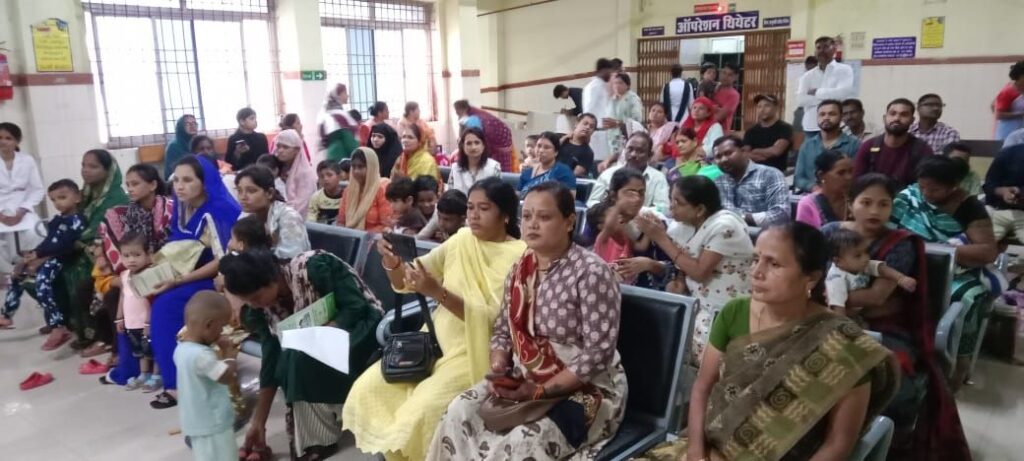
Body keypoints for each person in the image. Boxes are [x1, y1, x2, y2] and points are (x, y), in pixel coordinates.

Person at [639, 222, 899, 461]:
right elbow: (703, 387)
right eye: (755, 259)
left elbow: (838, 444)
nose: (756, 272)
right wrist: (697, 453)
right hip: (713, 447)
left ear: (811, 278)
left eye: (773, 264)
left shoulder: (842, 343)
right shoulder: (734, 312)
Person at [425, 181, 626, 460]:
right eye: (528, 216)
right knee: (459, 411)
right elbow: (503, 329)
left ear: (569, 222)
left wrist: (541, 390)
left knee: (523, 442)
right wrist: (499, 369)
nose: (532, 224)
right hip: (525, 375)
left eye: (544, 217)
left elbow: (598, 354)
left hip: (584, 387)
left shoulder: (591, 272)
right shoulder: (521, 268)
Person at [344, 177, 527, 461]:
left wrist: (437, 292)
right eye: (470, 208)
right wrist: (393, 262)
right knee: (367, 389)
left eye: (484, 209)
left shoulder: (522, 257)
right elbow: (408, 279)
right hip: (434, 344)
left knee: (421, 412)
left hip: (476, 352)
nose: (473, 215)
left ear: (505, 215)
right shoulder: (462, 240)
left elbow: (498, 322)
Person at [821, 174, 971, 458]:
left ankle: (893, 438)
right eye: (866, 202)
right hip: (827, 318)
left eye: (884, 204)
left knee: (889, 375)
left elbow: (877, 297)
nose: (875, 211)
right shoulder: (829, 232)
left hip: (887, 326)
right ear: (850, 204)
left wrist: (831, 296)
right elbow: (809, 273)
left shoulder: (900, 242)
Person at [220, 247, 383, 460]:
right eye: (248, 301)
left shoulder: (313, 268)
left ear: (272, 278)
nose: (254, 305)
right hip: (312, 346)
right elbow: (271, 358)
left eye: (256, 297)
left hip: (360, 329)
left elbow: (356, 307)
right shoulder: (263, 308)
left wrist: (328, 329)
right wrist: (258, 421)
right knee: (290, 357)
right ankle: (312, 435)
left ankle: (319, 438)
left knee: (297, 356)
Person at [891, 155, 998, 389]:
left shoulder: (969, 207)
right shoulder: (909, 197)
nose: (926, 193)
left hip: (953, 269)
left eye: (935, 189)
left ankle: (959, 362)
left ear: (953, 186)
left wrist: (939, 250)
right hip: (907, 264)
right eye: (922, 186)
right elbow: (888, 229)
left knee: (968, 297)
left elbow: (988, 251)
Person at [148, 155, 241, 410]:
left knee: (167, 305)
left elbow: (224, 259)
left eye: (188, 180)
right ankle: (174, 374)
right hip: (190, 274)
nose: (179, 186)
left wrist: (179, 280)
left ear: (205, 181)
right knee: (152, 294)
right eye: (176, 180)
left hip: (219, 279)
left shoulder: (220, 210)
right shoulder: (183, 207)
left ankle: (177, 384)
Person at [636, 175, 754, 363]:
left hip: (724, 309)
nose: (671, 207)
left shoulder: (725, 226)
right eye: (671, 199)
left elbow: (700, 272)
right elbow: (683, 264)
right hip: (698, 304)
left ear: (700, 209)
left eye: (678, 202)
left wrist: (660, 237)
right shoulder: (684, 226)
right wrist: (679, 281)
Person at [98, 163, 174, 383]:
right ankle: (130, 363)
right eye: (128, 184)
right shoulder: (129, 213)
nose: (130, 189)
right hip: (136, 267)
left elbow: (172, 246)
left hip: (165, 267)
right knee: (115, 295)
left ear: (152, 185)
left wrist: (150, 266)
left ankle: (156, 367)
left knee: (149, 296)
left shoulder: (168, 208)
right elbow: (123, 245)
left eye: (135, 184)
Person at [1, 179, 85, 344]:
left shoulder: (76, 220)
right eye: (53, 200)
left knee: (42, 284)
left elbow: (65, 245)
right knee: (17, 274)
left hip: (62, 258)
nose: (57, 203)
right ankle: (7, 315)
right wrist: (32, 254)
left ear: (77, 197)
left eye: (62, 197)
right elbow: (48, 242)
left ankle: (58, 326)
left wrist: (38, 255)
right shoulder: (57, 220)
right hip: (49, 256)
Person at [70, 149, 131, 350]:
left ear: (108, 171)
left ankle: (100, 336)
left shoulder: (116, 198)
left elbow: (96, 232)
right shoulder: (86, 196)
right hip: (90, 248)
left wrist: (75, 240)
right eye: (83, 165)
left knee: (81, 275)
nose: (85, 170)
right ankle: (75, 328)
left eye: (93, 166)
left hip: (111, 254)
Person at [173, 291, 237, 461]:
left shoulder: (181, 349)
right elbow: (226, 376)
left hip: (195, 420)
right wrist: (230, 354)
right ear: (209, 325)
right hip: (213, 422)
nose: (222, 332)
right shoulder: (202, 356)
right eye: (221, 327)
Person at [825, 227, 918, 318]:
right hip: (845, 316)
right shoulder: (836, 280)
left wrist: (901, 278)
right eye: (858, 256)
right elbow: (838, 309)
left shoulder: (860, 265)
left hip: (858, 313)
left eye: (866, 252)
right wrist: (843, 325)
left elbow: (881, 269)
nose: (865, 258)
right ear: (838, 262)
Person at [853, 98, 934, 190]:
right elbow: (857, 183)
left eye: (904, 115)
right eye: (892, 113)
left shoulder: (923, 150)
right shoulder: (868, 146)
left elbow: (926, 187)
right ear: (884, 118)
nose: (897, 118)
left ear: (912, 120)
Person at [115, 231, 160, 391]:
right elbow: (123, 296)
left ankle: (157, 375)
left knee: (152, 350)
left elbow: (153, 301)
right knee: (139, 351)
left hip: (147, 322)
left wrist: (149, 322)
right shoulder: (124, 275)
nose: (131, 260)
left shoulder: (150, 274)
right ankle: (144, 374)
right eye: (126, 255)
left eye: (137, 255)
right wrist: (119, 318)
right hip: (131, 323)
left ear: (148, 254)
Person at [236, 165, 311, 260]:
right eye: (239, 191)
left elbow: (289, 260)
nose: (243, 197)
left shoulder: (289, 218)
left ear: (270, 193)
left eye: (251, 191)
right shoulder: (244, 216)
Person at [712, 135, 790, 226]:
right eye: (718, 157)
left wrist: (741, 217)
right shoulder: (718, 182)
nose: (723, 160)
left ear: (743, 152)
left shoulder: (770, 175)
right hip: (727, 232)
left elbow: (781, 215)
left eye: (728, 153)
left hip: (762, 233)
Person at [0, 122, 44, 280]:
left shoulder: (27, 160)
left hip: (23, 206)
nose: (3, 141)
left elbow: (37, 189)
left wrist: (21, 211)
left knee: (35, 232)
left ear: (17, 141)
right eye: (0, 137)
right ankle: (7, 274)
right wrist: (2, 216)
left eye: (8, 138)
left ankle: (30, 268)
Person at [588, 132, 670, 213]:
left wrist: (635, 211)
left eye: (640, 151)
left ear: (650, 155)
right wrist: (611, 210)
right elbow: (592, 202)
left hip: (641, 220)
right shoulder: (608, 174)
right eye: (630, 149)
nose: (633, 154)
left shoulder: (658, 178)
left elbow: (663, 208)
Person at [794, 99, 861, 192]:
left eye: (832, 114)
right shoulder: (807, 146)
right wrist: (814, 188)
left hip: (843, 195)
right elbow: (799, 178)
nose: (826, 117)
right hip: (812, 195)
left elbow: (856, 175)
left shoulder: (854, 144)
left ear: (841, 117)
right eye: (822, 114)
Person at [797, 36, 855, 137]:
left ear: (834, 49)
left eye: (826, 47)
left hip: (835, 125)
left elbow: (842, 94)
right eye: (818, 48)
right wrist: (831, 97)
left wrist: (817, 92)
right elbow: (800, 100)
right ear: (815, 51)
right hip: (811, 126)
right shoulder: (807, 76)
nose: (822, 51)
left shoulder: (844, 70)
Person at [336, 147, 392, 232]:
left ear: (371, 167)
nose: (356, 171)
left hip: (375, 238)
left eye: (360, 167)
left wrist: (362, 236)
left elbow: (386, 226)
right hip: (349, 236)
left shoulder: (383, 188)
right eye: (353, 167)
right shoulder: (349, 191)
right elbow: (341, 221)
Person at [796, 150, 855, 228]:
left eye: (851, 171)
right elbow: (804, 235)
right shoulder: (808, 204)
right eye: (841, 173)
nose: (849, 177)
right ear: (821, 175)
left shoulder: (857, 200)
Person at [453, 100, 515, 171]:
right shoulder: (475, 116)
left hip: (497, 147)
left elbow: (477, 137)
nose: (457, 115)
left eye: (457, 113)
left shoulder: (473, 120)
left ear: (460, 109)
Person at [983, 143, 1024, 245]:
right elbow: (988, 186)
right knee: (981, 244)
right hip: (998, 211)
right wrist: (1003, 191)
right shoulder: (1008, 153)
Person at [743, 94, 794, 172]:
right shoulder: (751, 131)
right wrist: (764, 154)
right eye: (759, 106)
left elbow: (776, 151)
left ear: (776, 108)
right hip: (754, 171)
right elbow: (744, 153)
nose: (762, 109)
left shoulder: (785, 128)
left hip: (776, 171)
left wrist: (756, 150)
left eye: (767, 106)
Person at [272, 129, 318, 216]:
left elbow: (303, 205)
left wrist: (282, 216)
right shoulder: (277, 169)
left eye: (285, 147)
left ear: (297, 150)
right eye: (278, 146)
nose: (280, 150)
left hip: (296, 219)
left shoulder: (305, 174)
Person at [447, 127, 502, 194]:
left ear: (483, 145)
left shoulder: (494, 167)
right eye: (469, 143)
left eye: (477, 143)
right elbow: (450, 195)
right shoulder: (455, 169)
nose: (473, 147)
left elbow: (498, 195)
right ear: (463, 146)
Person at [582, 58, 616, 162]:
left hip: (601, 130)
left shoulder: (600, 85)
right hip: (597, 131)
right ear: (603, 70)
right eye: (609, 72)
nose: (610, 75)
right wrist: (589, 127)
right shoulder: (595, 86)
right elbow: (589, 110)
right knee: (599, 162)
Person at [604, 72, 644, 159]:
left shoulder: (633, 99)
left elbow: (637, 119)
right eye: (615, 83)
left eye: (620, 83)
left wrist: (618, 123)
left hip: (627, 136)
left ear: (627, 85)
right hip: (612, 136)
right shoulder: (612, 99)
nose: (617, 85)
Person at [317, 83, 360, 162]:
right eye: (345, 93)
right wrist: (359, 156)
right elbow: (349, 141)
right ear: (338, 95)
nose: (347, 95)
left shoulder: (326, 114)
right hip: (342, 157)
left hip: (330, 157)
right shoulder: (340, 115)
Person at [557, 113, 597, 178]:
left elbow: (573, 175)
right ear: (576, 124)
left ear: (592, 132)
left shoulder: (588, 153)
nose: (588, 127)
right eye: (585, 123)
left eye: (591, 127)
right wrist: (565, 138)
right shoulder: (560, 138)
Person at [993, 60, 1024, 141]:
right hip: (1007, 133)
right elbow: (998, 114)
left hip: (1020, 133)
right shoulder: (1008, 91)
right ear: (1020, 76)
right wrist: (1020, 114)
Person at [164, 114, 198, 179]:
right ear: (181, 127)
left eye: (194, 123)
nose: (192, 126)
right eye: (187, 124)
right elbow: (173, 171)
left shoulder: (196, 142)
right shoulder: (174, 146)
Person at [645, 102, 677, 167]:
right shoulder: (644, 128)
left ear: (665, 116)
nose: (655, 114)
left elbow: (674, 149)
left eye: (659, 112)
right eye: (653, 110)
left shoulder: (671, 128)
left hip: (662, 163)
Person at [712, 62, 741, 131]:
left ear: (736, 77)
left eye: (730, 75)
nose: (725, 77)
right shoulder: (713, 87)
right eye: (724, 73)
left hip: (720, 132)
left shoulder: (734, 95)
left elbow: (718, 116)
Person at [792, 56, 818, 132]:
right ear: (806, 66)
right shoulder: (801, 79)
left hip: (815, 110)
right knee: (799, 134)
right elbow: (801, 99)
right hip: (801, 110)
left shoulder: (820, 79)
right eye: (810, 67)